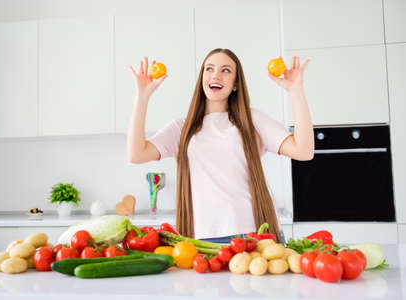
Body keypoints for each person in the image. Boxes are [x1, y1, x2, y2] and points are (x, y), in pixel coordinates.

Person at [127, 48, 314, 244]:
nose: (215, 75)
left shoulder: (251, 119)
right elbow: (136, 154)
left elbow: (303, 151)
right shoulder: (180, 128)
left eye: (226, 70)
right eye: (209, 69)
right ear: (202, 79)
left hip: (254, 234)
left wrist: (296, 92)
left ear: (235, 85)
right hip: (202, 240)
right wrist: (142, 97)